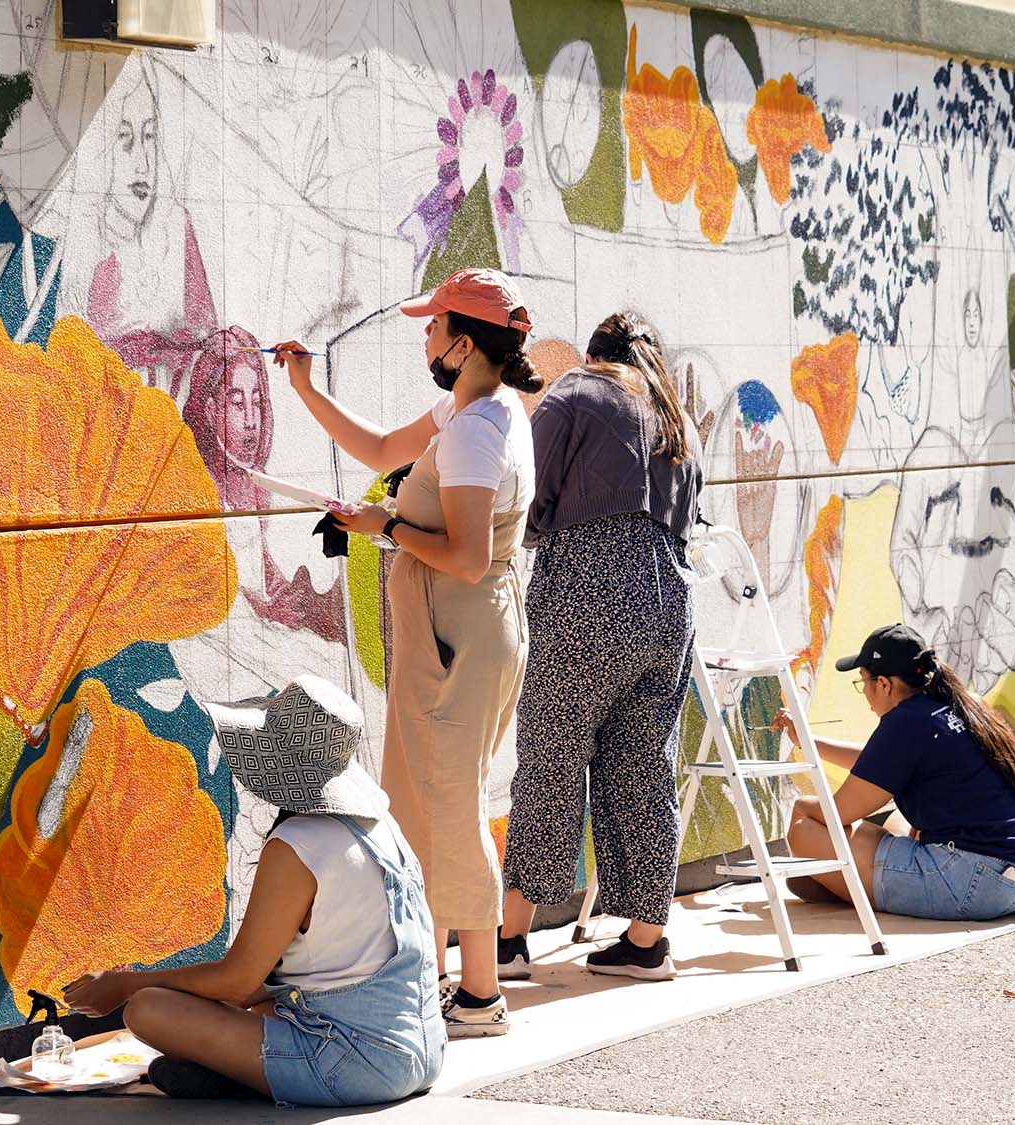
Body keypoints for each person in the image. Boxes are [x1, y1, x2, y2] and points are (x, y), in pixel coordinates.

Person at [273, 267, 540, 1037]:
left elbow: (460, 555)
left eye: (432, 324)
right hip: (462, 633)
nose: (422, 333)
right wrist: (304, 386)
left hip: (458, 635)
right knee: (429, 802)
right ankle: (443, 978)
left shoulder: (476, 430)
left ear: (463, 343)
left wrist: (381, 525)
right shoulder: (479, 409)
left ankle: (481, 995)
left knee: (449, 806)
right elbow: (384, 446)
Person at [60, 677, 443, 1108]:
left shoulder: (300, 844)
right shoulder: (380, 827)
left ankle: (245, 1077)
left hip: (352, 1064)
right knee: (251, 999)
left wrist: (125, 984)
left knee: (147, 1009)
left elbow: (238, 982)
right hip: (422, 1052)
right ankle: (245, 1074)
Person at [496, 312, 704, 982]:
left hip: (588, 595)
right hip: (670, 601)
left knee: (551, 753)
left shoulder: (577, 392)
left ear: (592, 353)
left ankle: (509, 941)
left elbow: (528, 495)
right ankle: (647, 941)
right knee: (645, 766)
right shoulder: (677, 418)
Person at [779, 624, 1015, 921]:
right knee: (897, 819)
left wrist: (806, 829)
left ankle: (839, 885)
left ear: (884, 684)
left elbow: (841, 813)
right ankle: (844, 882)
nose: (866, 695)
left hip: (977, 883)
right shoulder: (962, 705)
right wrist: (809, 742)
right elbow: (883, 762)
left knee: (806, 824)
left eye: (863, 683)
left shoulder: (905, 722)